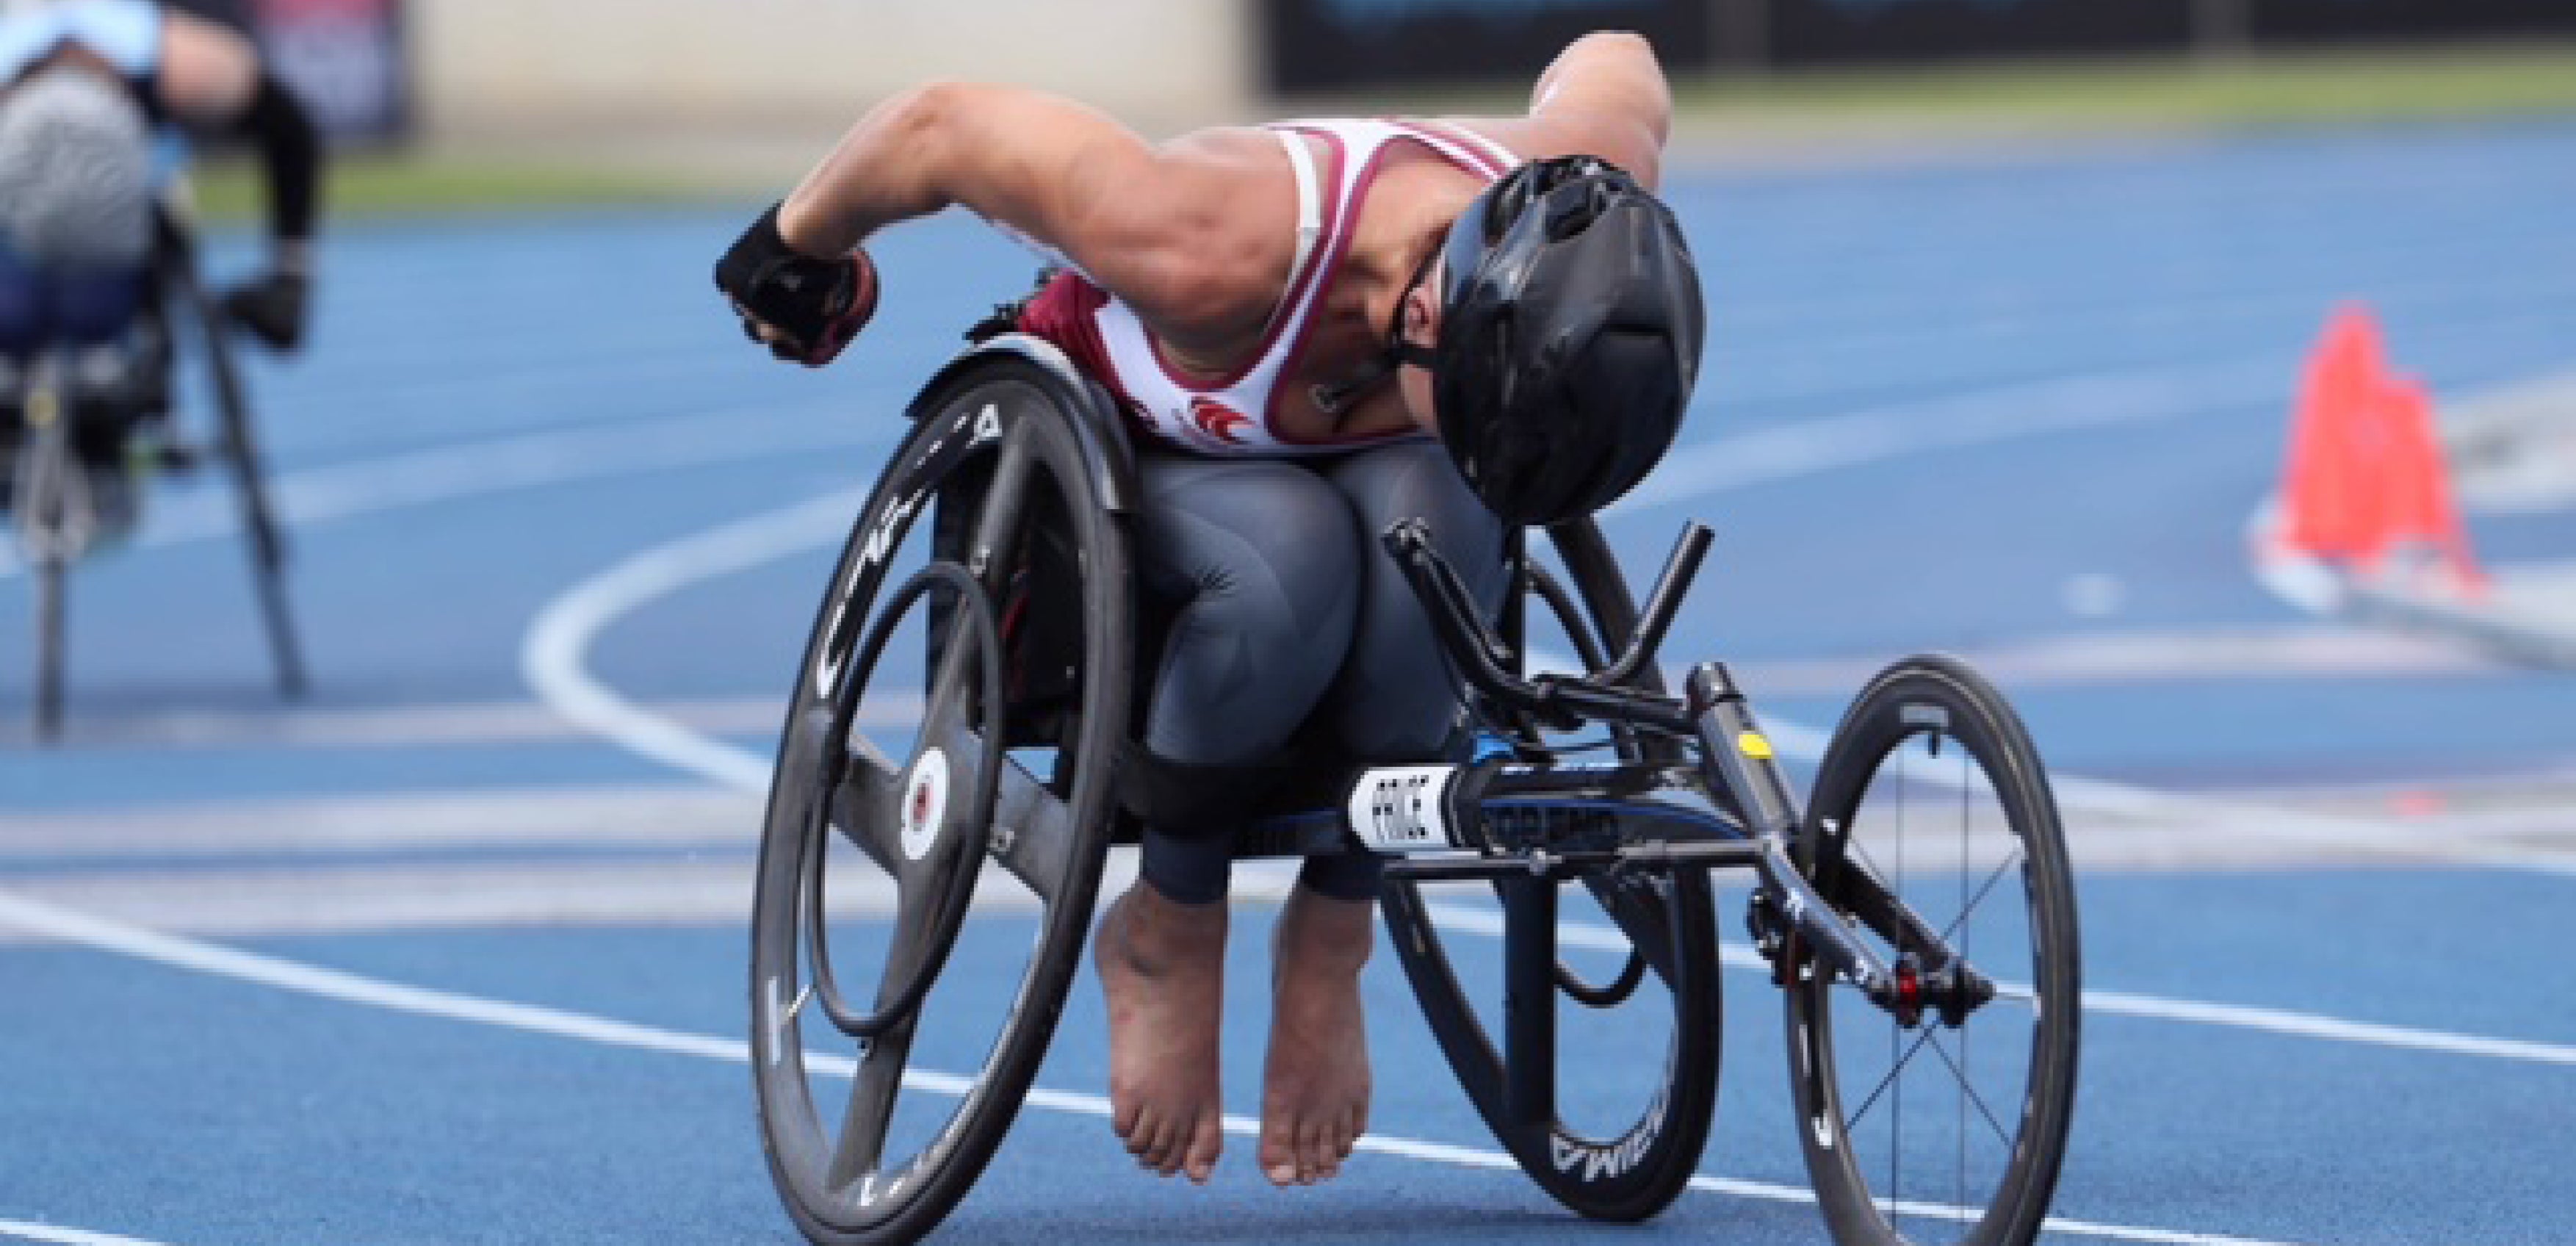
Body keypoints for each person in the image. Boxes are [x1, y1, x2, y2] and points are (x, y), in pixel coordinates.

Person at [716, 30, 1703, 1189]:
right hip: (1147, 457)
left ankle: (1334, 928)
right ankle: (1169, 923)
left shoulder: (1577, 195)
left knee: (1442, 528)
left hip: (1365, 481)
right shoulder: (1203, 241)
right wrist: (798, 247)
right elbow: (942, 127)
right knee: (1293, 556)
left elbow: (1618, 57)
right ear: (1429, 321)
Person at [0, 0, 321, 530]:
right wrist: (292, 277)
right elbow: (289, 127)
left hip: (24, 294)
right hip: (111, 291)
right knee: (154, 209)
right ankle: (132, 404)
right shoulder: (151, 45)